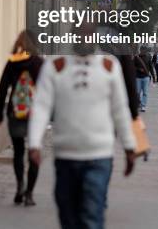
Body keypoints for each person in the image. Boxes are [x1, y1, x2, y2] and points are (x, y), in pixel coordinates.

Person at [28, 41, 136, 229]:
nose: (85, 40)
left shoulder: (109, 66)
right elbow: (41, 106)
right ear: (73, 36)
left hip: (99, 156)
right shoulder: (56, 66)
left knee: (92, 216)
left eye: (90, 35)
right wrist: (34, 143)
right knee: (68, 217)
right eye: (81, 34)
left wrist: (129, 146)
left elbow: (120, 109)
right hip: (65, 155)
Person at [0, 32, 43, 206]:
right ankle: (29, 193)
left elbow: (2, 89)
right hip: (36, 115)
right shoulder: (39, 63)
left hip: (15, 113)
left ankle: (19, 186)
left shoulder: (13, 62)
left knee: (18, 151)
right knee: (34, 152)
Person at [134, 46, 155, 112]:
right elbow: (132, 66)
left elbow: (151, 67)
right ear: (140, 50)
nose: (143, 51)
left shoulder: (148, 57)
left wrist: (154, 77)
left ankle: (143, 106)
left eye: (144, 50)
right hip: (138, 77)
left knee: (145, 92)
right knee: (137, 92)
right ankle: (138, 103)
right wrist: (138, 69)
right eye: (142, 49)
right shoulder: (136, 57)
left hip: (146, 77)